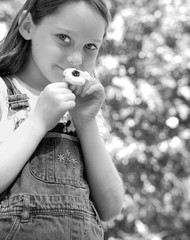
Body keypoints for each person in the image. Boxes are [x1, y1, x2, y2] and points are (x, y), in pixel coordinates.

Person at [0, 0, 125, 239]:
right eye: (63, 38)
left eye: (90, 46)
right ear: (28, 26)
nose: (76, 59)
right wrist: (38, 121)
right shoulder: (3, 92)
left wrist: (86, 123)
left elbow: (111, 207)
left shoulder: (80, 109)